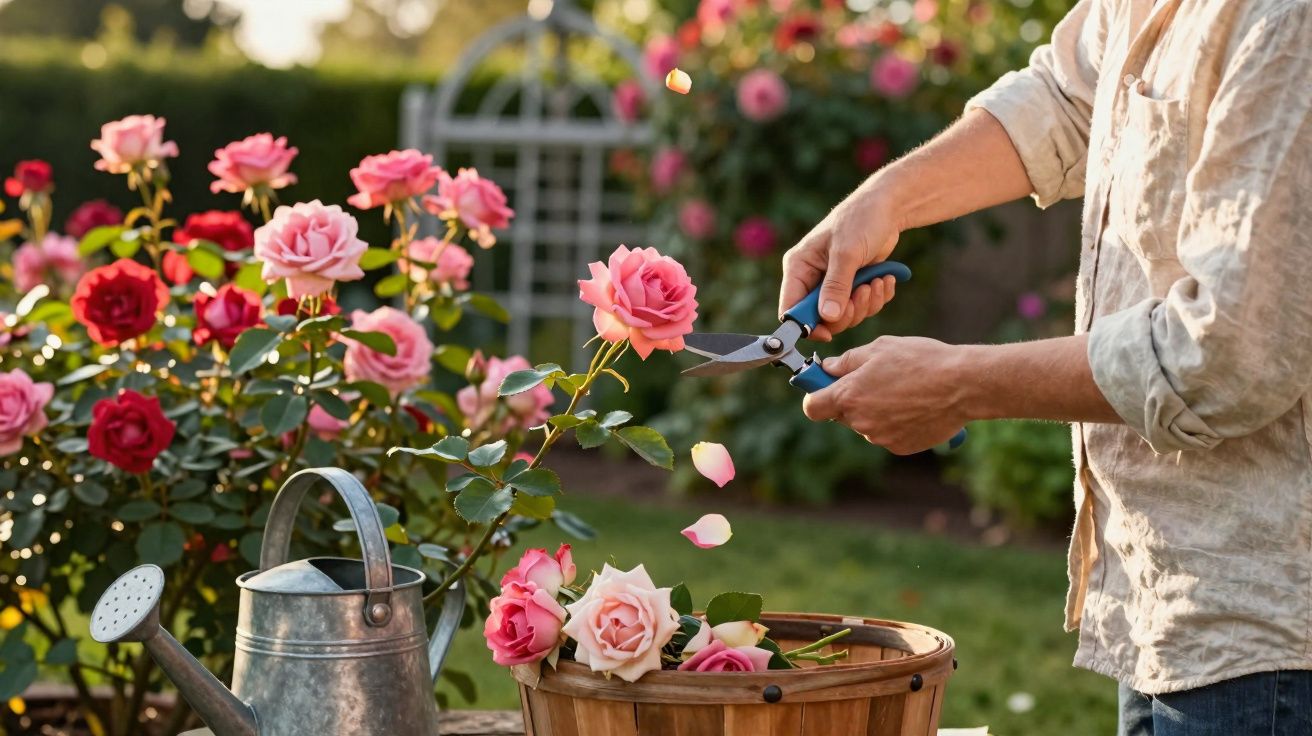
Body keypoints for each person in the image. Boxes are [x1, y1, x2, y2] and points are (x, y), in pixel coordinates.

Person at [782, 0, 1312, 733]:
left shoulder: (1287, 22)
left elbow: (1226, 355)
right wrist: (886, 198)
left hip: (1273, 636)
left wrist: (957, 383)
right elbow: (1068, 97)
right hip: (1165, 604)